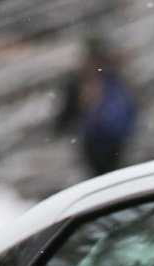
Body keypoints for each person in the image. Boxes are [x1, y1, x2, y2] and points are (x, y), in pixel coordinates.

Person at [56, 36, 139, 177]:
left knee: (104, 177)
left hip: (99, 142)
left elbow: (64, 118)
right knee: (113, 176)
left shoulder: (85, 80)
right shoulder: (114, 76)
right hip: (114, 141)